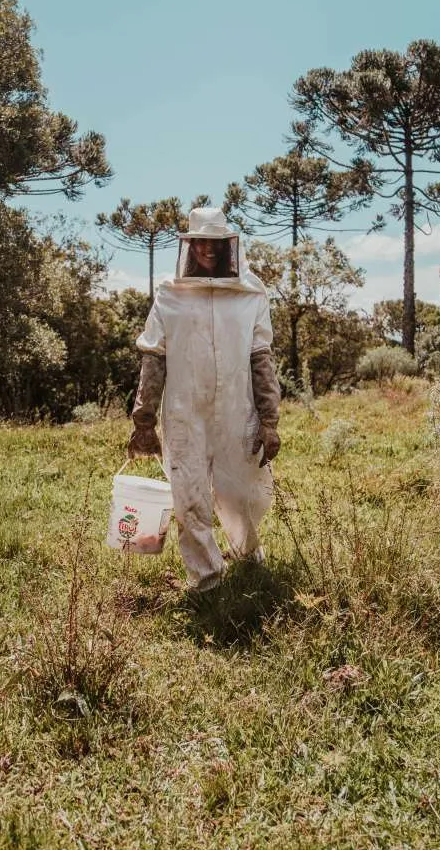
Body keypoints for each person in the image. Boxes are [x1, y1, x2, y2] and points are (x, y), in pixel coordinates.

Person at [128, 207, 281, 592]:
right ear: (190, 244)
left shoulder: (251, 292)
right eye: (200, 242)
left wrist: (270, 420)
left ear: (227, 245)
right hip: (185, 413)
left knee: (242, 492)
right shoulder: (171, 292)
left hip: (237, 410)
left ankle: (248, 558)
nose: (207, 250)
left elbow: (260, 358)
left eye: (214, 243)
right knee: (189, 495)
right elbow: (154, 355)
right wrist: (143, 420)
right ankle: (208, 577)